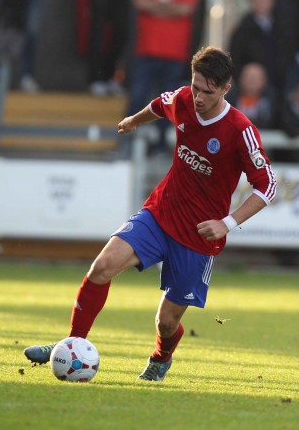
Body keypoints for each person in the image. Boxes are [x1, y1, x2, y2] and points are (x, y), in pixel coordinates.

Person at [23, 46, 277, 382]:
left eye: (208, 91)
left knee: (166, 323)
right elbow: (158, 105)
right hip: (160, 213)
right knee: (101, 268)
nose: (198, 97)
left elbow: (268, 185)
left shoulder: (239, 129)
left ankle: (161, 358)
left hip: (198, 237)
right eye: (196, 86)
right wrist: (132, 121)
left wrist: (227, 222)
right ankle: (71, 343)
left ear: (226, 89)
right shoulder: (184, 99)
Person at [127, 0, 197, 150]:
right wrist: (171, 8)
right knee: (138, 97)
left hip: (174, 54)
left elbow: (186, 9)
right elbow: (140, 3)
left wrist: (156, 7)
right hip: (146, 51)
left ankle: (160, 147)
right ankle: (129, 141)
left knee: (169, 105)